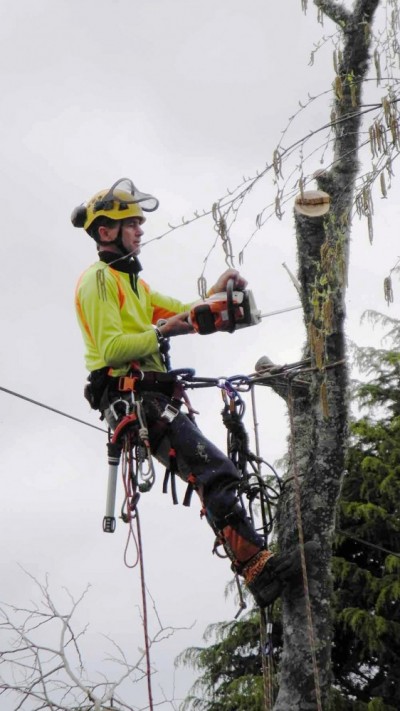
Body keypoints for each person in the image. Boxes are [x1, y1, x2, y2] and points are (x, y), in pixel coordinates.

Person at [71, 177, 306, 608]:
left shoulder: (135, 285)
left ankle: (257, 563)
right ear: (106, 232)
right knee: (214, 471)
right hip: (134, 400)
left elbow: (183, 312)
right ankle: (258, 569)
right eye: (131, 223)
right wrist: (164, 329)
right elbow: (112, 349)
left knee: (216, 471)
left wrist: (217, 296)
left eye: (140, 223)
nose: (140, 230)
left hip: (154, 399)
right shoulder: (98, 281)